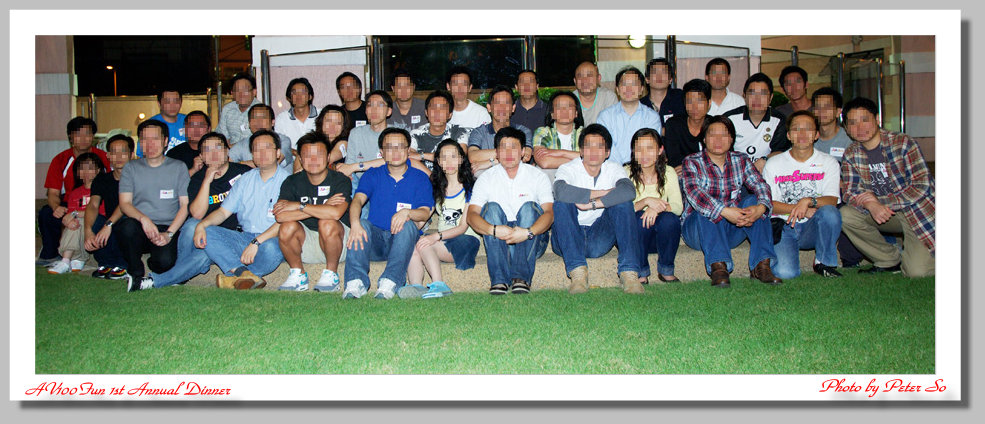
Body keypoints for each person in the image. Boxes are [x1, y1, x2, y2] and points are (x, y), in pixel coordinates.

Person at [680, 116, 782, 287]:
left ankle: (762, 265)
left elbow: (760, 185)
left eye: (724, 135)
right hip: (698, 231)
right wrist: (724, 211)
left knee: (754, 201)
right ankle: (719, 267)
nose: (718, 140)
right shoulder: (692, 162)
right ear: (704, 139)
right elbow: (695, 194)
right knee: (705, 208)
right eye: (713, 135)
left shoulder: (740, 160)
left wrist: (761, 208)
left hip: (733, 227)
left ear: (732, 139)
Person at [839, 97, 935, 277]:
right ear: (846, 128)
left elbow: (920, 185)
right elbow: (850, 192)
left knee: (917, 272)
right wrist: (870, 204)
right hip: (883, 213)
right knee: (846, 215)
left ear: (877, 119)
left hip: (916, 212)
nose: (859, 127)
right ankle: (889, 260)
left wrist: (880, 203)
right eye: (852, 123)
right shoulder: (851, 153)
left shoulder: (902, 143)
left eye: (864, 120)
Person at [148, 132, 252, 289]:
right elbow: (197, 214)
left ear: (227, 151)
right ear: (202, 156)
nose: (214, 153)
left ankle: (161, 279)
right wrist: (207, 181)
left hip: (232, 235)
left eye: (218, 148)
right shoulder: (197, 179)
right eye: (207, 150)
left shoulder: (243, 172)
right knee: (192, 226)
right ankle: (179, 274)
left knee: (201, 246)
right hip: (205, 235)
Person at [194, 130, 291, 289]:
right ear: (252, 154)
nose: (262, 153)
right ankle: (242, 273)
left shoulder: (289, 181)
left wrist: (256, 242)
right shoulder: (245, 179)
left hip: (270, 239)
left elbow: (285, 221)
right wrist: (201, 225)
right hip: (243, 238)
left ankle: (232, 279)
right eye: (257, 149)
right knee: (208, 231)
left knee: (272, 249)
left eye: (267, 148)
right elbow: (223, 212)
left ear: (278, 153)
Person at [551, 124, 643, 294]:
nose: (593, 151)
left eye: (599, 146)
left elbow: (628, 191)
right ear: (581, 151)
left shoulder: (614, 168)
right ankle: (578, 274)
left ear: (607, 152)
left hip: (599, 238)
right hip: (567, 238)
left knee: (623, 203)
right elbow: (560, 191)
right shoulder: (568, 169)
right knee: (562, 203)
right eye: (588, 146)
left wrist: (593, 204)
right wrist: (602, 193)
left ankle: (629, 273)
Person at [343, 128, 434, 299]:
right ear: (382, 153)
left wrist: (407, 212)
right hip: (376, 241)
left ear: (408, 151)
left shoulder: (420, 178)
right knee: (361, 224)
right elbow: (357, 201)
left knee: (408, 224)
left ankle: (390, 281)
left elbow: (424, 213)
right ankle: (355, 282)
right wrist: (354, 223)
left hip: (402, 241)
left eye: (400, 147)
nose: (396, 152)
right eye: (390, 148)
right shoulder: (372, 174)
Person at [467, 127, 554, 295]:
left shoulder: (537, 176)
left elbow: (549, 214)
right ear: (496, 153)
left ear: (523, 151)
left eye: (513, 147)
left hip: (531, 240)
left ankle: (521, 278)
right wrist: (493, 229)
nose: (508, 152)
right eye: (503, 147)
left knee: (529, 208)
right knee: (491, 208)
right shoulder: (486, 178)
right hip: (500, 240)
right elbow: (471, 215)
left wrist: (528, 232)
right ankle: (499, 280)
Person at [762, 111, 843, 279]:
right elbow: (769, 203)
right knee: (785, 273)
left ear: (816, 135)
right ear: (789, 135)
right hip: (784, 226)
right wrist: (800, 209)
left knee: (830, 213)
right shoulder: (774, 164)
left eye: (808, 129)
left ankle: (823, 262)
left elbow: (832, 200)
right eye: (796, 129)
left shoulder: (829, 162)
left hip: (813, 226)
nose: (802, 134)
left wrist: (808, 201)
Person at [275, 132, 353, 292]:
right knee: (286, 227)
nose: (313, 160)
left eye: (319, 155)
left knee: (327, 222)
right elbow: (281, 216)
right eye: (307, 156)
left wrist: (300, 206)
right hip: (306, 242)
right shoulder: (291, 181)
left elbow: (335, 214)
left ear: (328, 157)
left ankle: (331, 274)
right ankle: (298, 274)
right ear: (300, 159)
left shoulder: (340, 180)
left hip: (338, 242)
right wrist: (323, 207)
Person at [118, 120, 190, 292]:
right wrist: (144, 219)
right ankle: (135, 272)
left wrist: (169, 234)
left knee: (164, 263)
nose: (149, 144)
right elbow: (125, 203)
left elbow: (185, 205)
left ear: (165, 141)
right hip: (139, 225)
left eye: (155, 139)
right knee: (126, 227)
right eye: (144, 139)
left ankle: (154, 262)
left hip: (167, 227)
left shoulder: (178, 167)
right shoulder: (131, 168)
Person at [405, 140, 479, 299]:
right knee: (413, 242)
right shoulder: (436, 187)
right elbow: (426, 214)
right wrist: (409, 231)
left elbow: (463, 227)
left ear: (461, 159)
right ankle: (416, 286)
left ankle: (439, 284)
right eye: (444, 158)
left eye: (453, 156)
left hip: (466, 240)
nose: (449, 162)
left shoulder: (471, 188)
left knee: (426, 243)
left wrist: (435, 236)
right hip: (442, 241)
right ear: (438, 162)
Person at [37, 117, 111, 267]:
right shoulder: (60, 159)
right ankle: (50, 255)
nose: (83, 138)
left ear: (93, 136)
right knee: (47, 213)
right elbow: (53, 193)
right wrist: (57, 208)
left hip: (99, 203)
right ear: (70, 137)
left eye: (87, 134)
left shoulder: (104, 158)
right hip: (72, 203)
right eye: (78, 134)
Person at [627, 128, 683, 284]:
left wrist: (656, 208)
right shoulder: (625, 173)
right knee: (638, 217)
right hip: (635, 237)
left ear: (660, 150)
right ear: (633, 152)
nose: (644, 154)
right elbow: (622, 210)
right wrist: (646, 202)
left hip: (661, 237)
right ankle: (641, 272)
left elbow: (678, 207)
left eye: (650, 148)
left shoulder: (669, 172)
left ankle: (666, 270)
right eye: (639, 149)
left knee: (669, 219)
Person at [84, 134, 133, 280]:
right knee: (96, 220)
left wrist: (109, 224)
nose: (118, 156)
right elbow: (93, 204)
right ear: (108, 156)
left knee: (125, 222)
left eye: (123, 152)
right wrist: (87, 230)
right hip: (111, 222)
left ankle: (122, 264)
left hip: (131, 222)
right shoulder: (102, 179)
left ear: (131, 155)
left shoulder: (137, 176)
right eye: (114, 152)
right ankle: (105, 263)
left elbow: (125, 204)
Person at [47, 153, 104, 274]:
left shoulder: (102, 190)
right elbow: (70, 214)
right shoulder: (75, 193)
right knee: (73, 223)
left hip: (97, 224)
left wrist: (76, 214)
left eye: (90, 168)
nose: (86, 171)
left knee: (81, 220)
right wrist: (69, 220)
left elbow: (101, 211)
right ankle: (75, 258)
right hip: (78, 227)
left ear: (98, 170)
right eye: (82, 168)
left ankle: (67, 260)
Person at [722, 72, 791, 171]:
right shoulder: (729, 118)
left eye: (763, 94)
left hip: (766, 171)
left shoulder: (779, 121)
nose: (757, 99)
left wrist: (765, 160)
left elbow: (781, 152)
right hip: (735, 171)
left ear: (771, 97)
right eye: (752, 93)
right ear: (744, 95)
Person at [596, 66, 662, 166]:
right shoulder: (605, 116)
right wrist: (621, 170)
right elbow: (605, 146)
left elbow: (651, 148)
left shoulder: (652, 117)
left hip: (642, 169)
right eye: (624, 84)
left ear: (641, 89)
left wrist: (633, 169)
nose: (629, 88)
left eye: (634, 84)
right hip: (612, 170)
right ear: (617, 89)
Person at [467, 85, 533, 175]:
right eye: (497, 103)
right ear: (489, 107)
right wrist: (511, 153)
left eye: (506, 103)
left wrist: (492, 162)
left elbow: (525, 156)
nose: (502, 107)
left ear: (513, 108)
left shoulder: (523, 131)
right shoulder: (479, 132)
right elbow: (473, 156)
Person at [334, 90, 393, 187]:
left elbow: (391, 160)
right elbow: (349, 164)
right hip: (360, 184)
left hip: (387, 183)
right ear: (365, 110)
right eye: (370, 105)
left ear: (389, 111)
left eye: (380, 105)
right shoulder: (356, 133)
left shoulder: (396, 134)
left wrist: (356, 167)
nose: (374, 109)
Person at [409, 90, 470, 172]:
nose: (437, 113)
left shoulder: (459, 132)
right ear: (426, 112)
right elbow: (409, 157)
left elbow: (460, 155)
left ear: (450, 115)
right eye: (433, 108)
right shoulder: (416, 134)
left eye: (442, 108)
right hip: (425, 176)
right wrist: (431, 176)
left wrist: (423, 156)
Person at [663, 79, 712, 172]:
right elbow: (674, 160)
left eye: (699, 101)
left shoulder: (715, 126)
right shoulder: (674, 125)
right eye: (690, 101)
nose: (694, 107)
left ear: (709, 103)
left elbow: (720, 159)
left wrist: (689, 167)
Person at [228, 103, 295, 171]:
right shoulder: (242, 144)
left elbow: (270, 163)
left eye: (263, 118)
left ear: (272, 122)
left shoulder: (283, 140)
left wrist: (240, 164)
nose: (259, 122)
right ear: (249, 123)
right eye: (254, 118)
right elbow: (227, 164)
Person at [532, 90, 585, 172]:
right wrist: (580, 160)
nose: (564, 110)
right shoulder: (543, 132)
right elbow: (544, 162)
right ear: (552, 114)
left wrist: (561, 153)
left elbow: (591, 157)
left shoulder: (584, 133)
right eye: (558, 107)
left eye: (569, 106)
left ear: (576, 113)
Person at [640, 58, 686, 129]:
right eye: (655, 72)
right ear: (647, 79)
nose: (659, 76)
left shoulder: (680, 98)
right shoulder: (641, 105)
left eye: (664, 72)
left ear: (670, 79)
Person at [216, 72, 261, 144]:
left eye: (245, 90)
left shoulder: (261, 110)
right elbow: (222, 137)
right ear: (232, 93)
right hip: (230, 149)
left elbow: (261, 140)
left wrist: (234, 148)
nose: (241, 94)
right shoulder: (227, 109)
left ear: (254, 92)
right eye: (237, 90)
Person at [274, 77, 319, 149]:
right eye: (294, 92)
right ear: (289, 98)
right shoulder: (282, 118)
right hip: (291, 156)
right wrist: (296, 153)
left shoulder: (321, 115)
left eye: (303, 92)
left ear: (310, 96)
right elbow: (280, 145)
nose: (298, 96)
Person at [811, 87, 853, 161]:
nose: (822, 111)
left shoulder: (849, 140)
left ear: (838, 112)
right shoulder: (808, 138)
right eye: (818, 107)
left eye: (827, 107)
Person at [445, 66, 491, 132]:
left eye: (464, 84)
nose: (460, 88)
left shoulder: (481, 113)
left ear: (470, 87)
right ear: (448, 86)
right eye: (456, 84)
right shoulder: (442, 113)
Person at [166, 110, 211, 176]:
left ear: (209, 129)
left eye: (200, 125)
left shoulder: (217, 151)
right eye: (191, 125)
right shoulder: (174, 154)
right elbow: (171, 180)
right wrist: (193, 170)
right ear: (185, 129)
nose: (196, 130)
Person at [573, 61, 618, 125]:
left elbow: (612, 125)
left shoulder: (608, 97)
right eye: (580, 76)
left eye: (589, 75)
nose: (585, 80)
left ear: (598, 78)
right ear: (575, 81)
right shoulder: (570, 100)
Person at [147, 88, 186, 155]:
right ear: (159, 104)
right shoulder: (150, 126)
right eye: (167, 101)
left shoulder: (189, 121)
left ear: (181, 102)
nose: (172, 105)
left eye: (176, 101)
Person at [314, 104, 351, 169]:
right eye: (328, 121)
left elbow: (326, 160)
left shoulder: (345, 143)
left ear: (343, 126)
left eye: (338, 123)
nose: (332, 126)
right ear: (321, 122)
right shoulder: (312, 139)